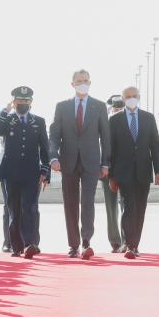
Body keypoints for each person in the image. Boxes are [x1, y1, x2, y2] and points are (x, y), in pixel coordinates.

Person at [49, 69, 110, 258]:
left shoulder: (99, 106)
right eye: (79, 81)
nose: (83, 83)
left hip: (91, 163)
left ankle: (86, 242)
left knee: (88, 202)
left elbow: (105, 137)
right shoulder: (62, 107)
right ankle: (73, 244)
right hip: (67, 162)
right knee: (70, 203)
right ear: (72, 84)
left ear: (90, 82)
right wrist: (53, 157)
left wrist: (105, 163)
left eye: (86, 80)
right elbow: (54, 135)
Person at [0, 86, 51, 257]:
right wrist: (4, 111)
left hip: (32, 173)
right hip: (10, 173)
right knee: (13, 210)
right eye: (20, 101)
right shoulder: (7, 120)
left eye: (26, 101)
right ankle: (16, 246)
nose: (23, 104)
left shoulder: (38, 121)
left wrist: (46, 171)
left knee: (30, 208)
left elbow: (45, 148)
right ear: (14, 102)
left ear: (31, 103)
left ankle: (31, 243)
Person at [107, 87, 159, 258]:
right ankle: (129, 244)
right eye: (128, 97)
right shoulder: (115, 120)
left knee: (140, 208)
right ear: (123, 99)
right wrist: (111, 175)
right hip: (123, 173)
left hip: (144, 171)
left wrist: (158, 171)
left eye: (134, 96)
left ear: (139, 97)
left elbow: (155, 146)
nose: (131, 99)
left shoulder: (148, 118)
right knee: (129, 207)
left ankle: (135, 243)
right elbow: (110, 149)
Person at [101, 95, 125, 252]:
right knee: (111, 208)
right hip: (107, 171)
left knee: (126, 207)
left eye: (120, 109)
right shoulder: (104, 124)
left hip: (125, 171)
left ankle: (127, 240)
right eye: (115, 109)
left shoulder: (128, 122)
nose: (117, 111)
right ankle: (115, 241)